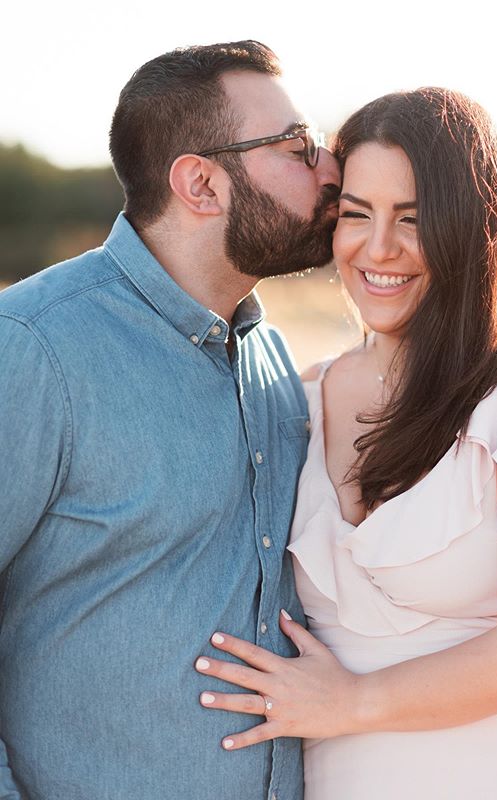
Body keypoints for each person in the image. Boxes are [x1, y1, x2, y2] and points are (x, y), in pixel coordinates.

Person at [194, 88, 497, 798]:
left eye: (414, 220)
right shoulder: (300, 397)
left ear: (472, 228)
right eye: (357, 215)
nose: (379, 249)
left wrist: (350, 703)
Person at [0, 41, 340, 799]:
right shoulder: (33, 346)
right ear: (201, 183)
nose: (330, 170)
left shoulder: (272, 359)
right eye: (298, 147)